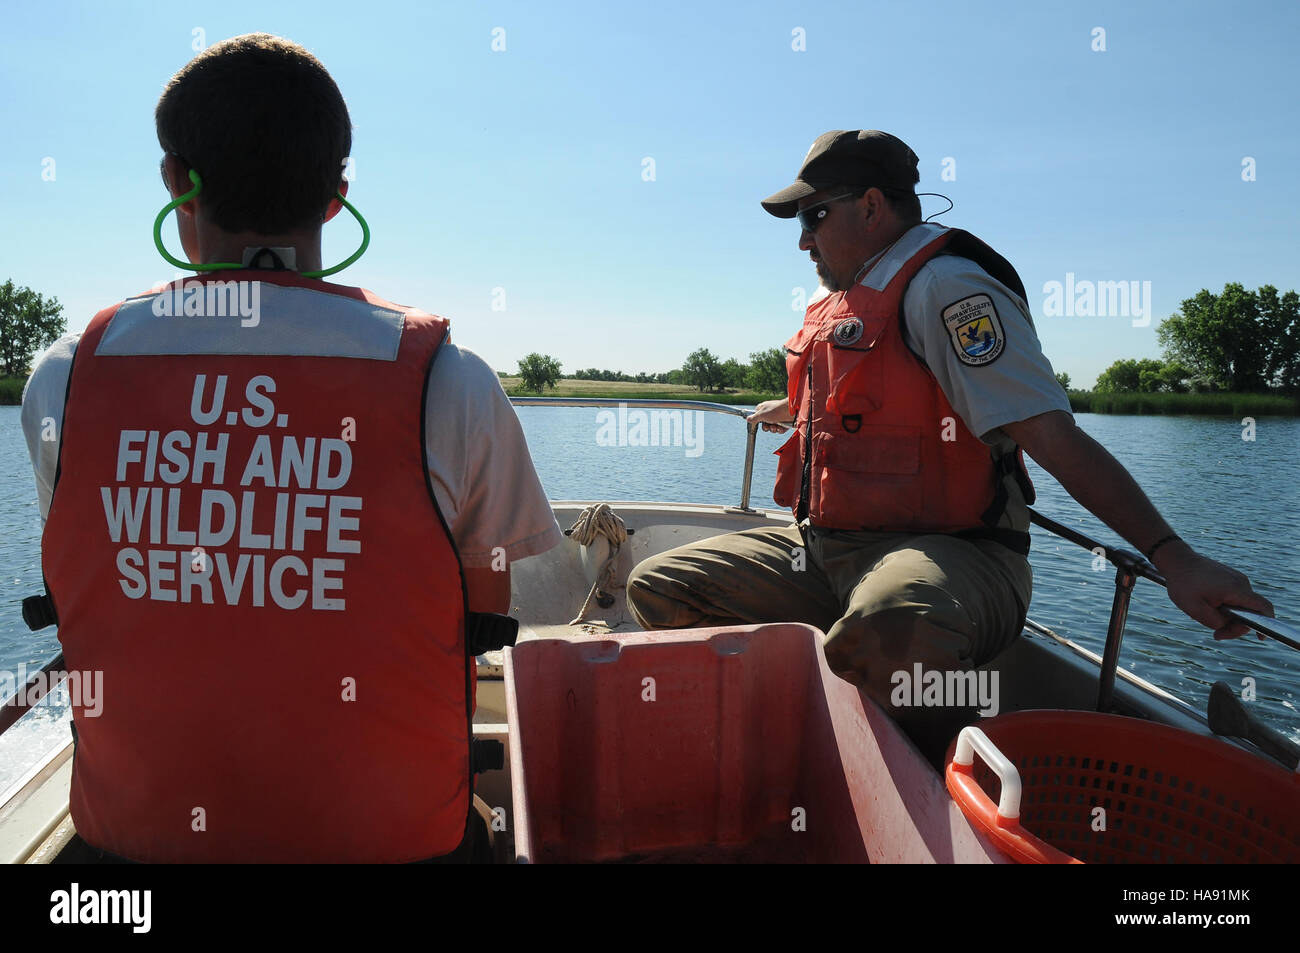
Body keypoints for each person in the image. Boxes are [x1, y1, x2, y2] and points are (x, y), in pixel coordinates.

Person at [19, 34, 562, 862]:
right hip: (394, 846)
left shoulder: (65, 379)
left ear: (176, 182)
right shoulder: (450, 382)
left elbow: (81, 573)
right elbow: (478, 611)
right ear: (338, 194)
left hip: (129, 854)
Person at [626, 129, 1274, 762]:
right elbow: (864, 409)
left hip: (959, 557)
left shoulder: (949, 290)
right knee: (662, 587)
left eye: (814, 215)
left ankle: (950, 799)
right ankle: (799, 746)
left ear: (873, 207)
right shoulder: (844, 297)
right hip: (828, 552)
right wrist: (792, 409)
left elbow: (1050, 434)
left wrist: (1173, 556)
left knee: (891, 626)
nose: (803, 239)